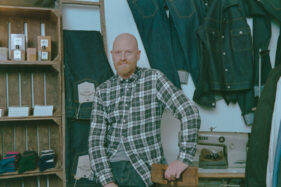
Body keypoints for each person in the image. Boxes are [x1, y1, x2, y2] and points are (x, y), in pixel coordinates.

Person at [88, 33, 201, 187]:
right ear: (112, 55)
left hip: (144, 171)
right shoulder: (103, 91)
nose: (122, 57)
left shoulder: (155, 79)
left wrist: (183, 159)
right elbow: (95, 142)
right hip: (109, 170)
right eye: (118, 53)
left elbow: (189, 112)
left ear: (138, 55)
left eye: (128, 52)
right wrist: (107, 182)